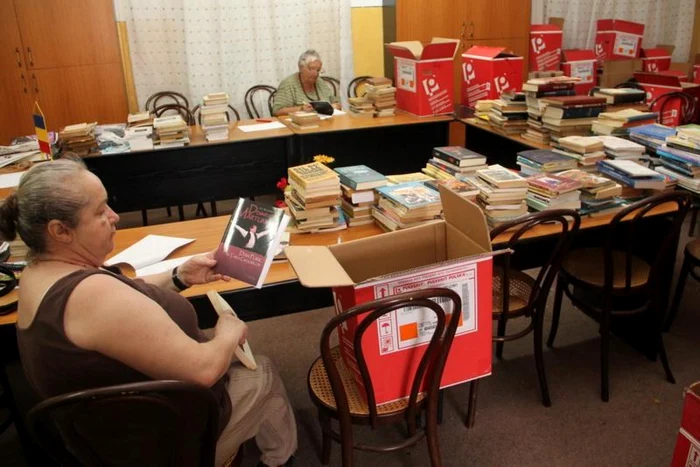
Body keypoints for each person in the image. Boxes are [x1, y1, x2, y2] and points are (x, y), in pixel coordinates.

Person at [0, 158, 296, 467]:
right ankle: (279, 460)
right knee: (264, 372)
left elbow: (124, 296)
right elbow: (204, 370)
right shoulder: (91, 297)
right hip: (161, 445)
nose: (115, 216)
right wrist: (228, 332)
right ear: (60, 230)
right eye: (100, 211)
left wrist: (179, 275)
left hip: (103, 430)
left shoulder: (39, 271)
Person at [273, 49, 341, 116]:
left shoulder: (320, 82)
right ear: (301, 67)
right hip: (299, 124)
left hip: (323, 123)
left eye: (318, 70)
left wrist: (335, 106)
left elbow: (336, 102)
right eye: (311, 69)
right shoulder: (288, 84)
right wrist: (301, 108)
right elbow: (277, 111)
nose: (315, 74)